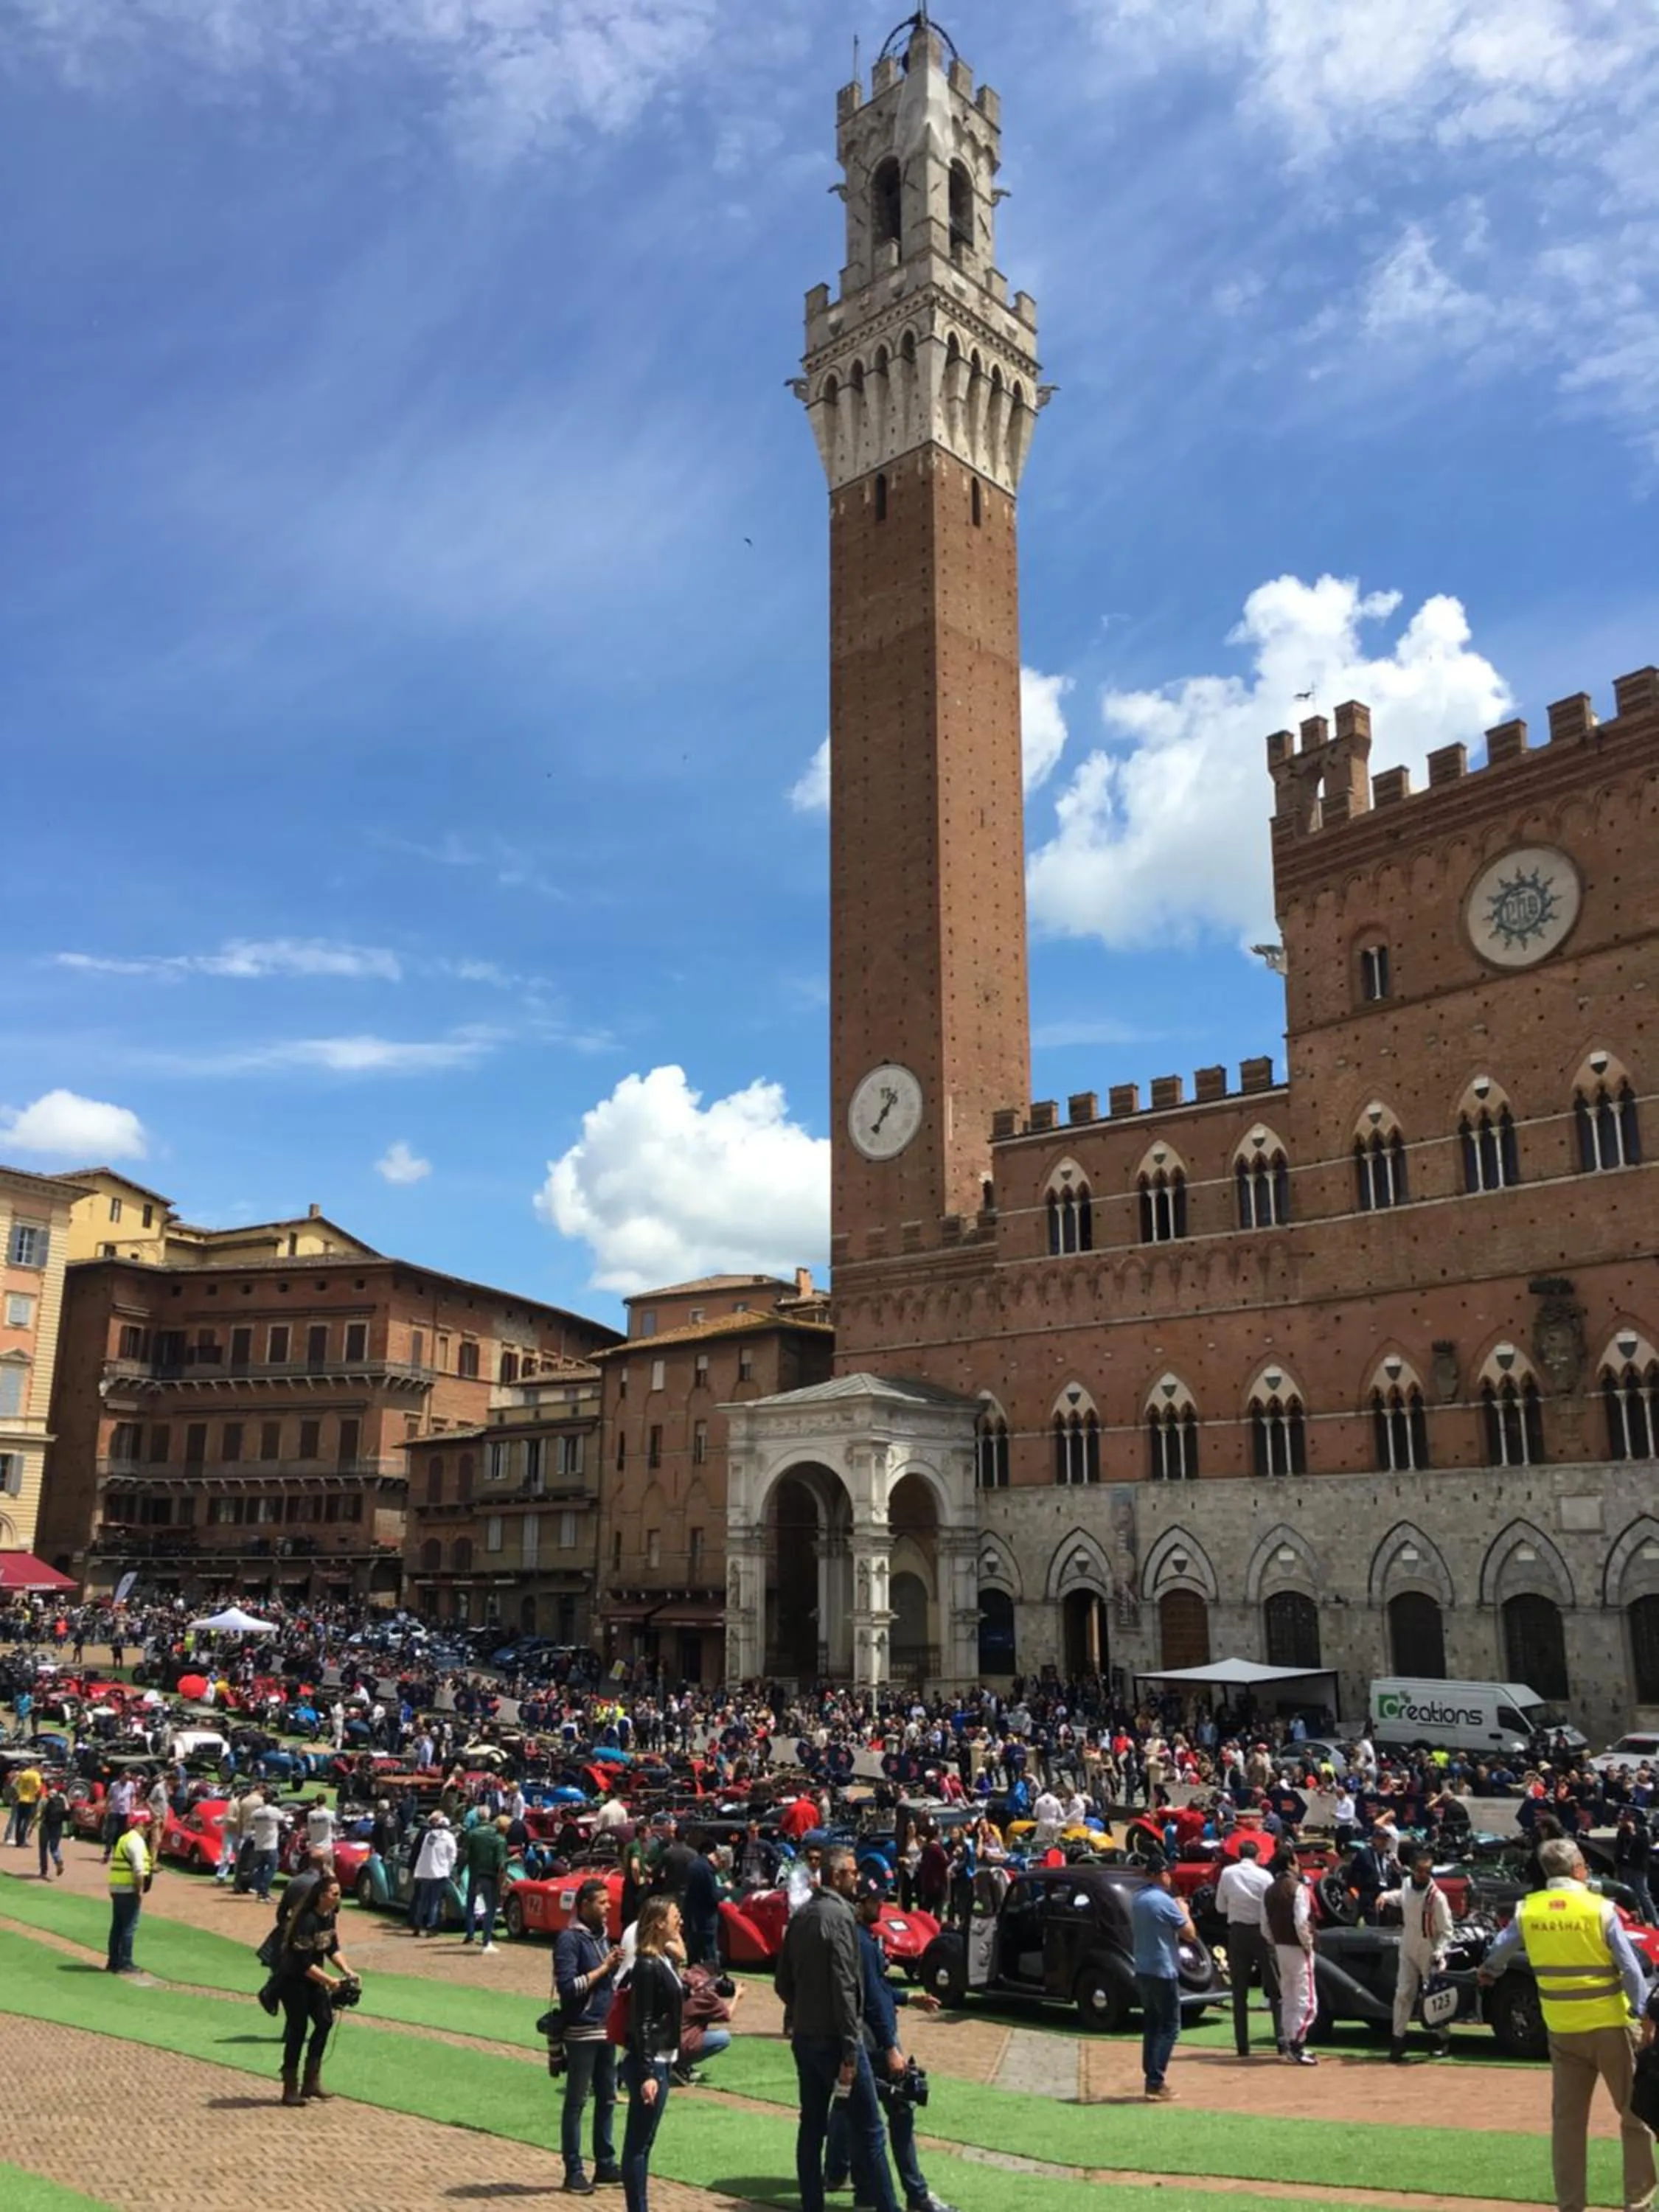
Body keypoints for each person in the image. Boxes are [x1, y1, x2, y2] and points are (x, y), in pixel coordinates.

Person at [1478, 1835, 1655, 2212]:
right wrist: (1643, 2014)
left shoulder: (1530, 1910)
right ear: (1578, 1869)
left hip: (1562, 2030)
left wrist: (1489, 1972)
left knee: (1568, 2124)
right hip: (1611, 2025)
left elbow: (1499, 1952)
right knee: (1634, 2115)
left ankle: (1571, 2205)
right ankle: (1636, 2203)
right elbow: (1628, 1967)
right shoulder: (1599, 1909)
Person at [776, 1845, 902, 2212]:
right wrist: (850, 2048)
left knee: (811, 2126)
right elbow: (847, 1987)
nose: (857, 1878)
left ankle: (812, 2205)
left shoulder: (801, 1917)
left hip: (806, 2036)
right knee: (871, 2129)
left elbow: (782, 1982)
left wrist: (802, 2010)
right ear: (836, 1877)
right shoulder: (842, 1917)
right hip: (838, 2039)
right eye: (851, 1872)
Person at [824, 1878, 954, 2212]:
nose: (880, 1907)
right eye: (875, 1901)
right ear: (861, 1901)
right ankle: (915, 2194)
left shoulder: (862, 1939)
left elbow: (878, 1989)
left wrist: (909, 1997)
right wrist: (890, 2048)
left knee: (852, 2109)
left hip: (861, 2039)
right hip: (871, 2041)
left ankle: (853, 2184)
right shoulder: (863, 1943)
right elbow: (870, 2002)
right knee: (898, 2108)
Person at [554, 1877, 625, 2194]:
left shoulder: (600, 1937)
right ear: (584, 1905)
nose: (608, 1907)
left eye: (608, 1902)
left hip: (605, 2028)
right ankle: (573, 2170)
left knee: (607, 2098)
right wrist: (604, 1969)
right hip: (582, 2030)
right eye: (601, 1903)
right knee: (577, 2101)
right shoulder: (570, 1940)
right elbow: (568, 1988)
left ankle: (605, 2163)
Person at [619, 1895, 686, 2212]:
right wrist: (647, 2072)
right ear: (659, 1923)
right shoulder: (647, 1965)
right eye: (675, 1916)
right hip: (651, 2062)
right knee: (638, 2145)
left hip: (662, 2059)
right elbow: (642, 2022)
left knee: (645, 2143)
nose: (680, 1920)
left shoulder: (663, 1960)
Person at [274, 1871, 359, 2107]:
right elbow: (302, 1963)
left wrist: (347, 1971)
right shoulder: (306, 1920)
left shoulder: (328, 1917)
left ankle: (311, 2082)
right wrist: (329, 1981)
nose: (339, 1897)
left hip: (314, 1980)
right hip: (293, 1982)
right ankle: (290, 2087)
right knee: (298, 2029)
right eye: (335, 1894)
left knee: (324, 2021)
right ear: (322, 1896)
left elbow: (331, 1946)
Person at [1376, 1850, 1453, 2063]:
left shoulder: (1437, 1897)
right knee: (1403, 1993)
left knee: (1433, 1996)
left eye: (1427, 1871)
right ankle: (1398, 2040)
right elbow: (1402, 1897)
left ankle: (1443, 2038)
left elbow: (1447, 1930)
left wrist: (1440, 1951)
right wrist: (1385, 1896)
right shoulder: (1408, 1884)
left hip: (1429, 1947)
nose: (1423, 1875)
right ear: (1413, 1869)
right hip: (1408, 1943)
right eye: (1419, 1871)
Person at [1130, 1863, 1195, 2101]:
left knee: (1153, 2024)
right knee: (1170, 2027)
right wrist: (1183, 1909)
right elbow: (1190, 1933)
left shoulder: (1137, 1898)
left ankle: (1151, 2077)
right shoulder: (1164, 1901)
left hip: (1143, 1968)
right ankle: (1155, 2081)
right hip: (1163, 1970)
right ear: (1162, 1874)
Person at [1215, 1838, 1281, 2058]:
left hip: (1237, 1932)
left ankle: (1242, 2045)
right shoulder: (1265, 1876)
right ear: (1257, 1856)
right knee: (1275, 1990)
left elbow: (1220, 1906)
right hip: (1261, 1931)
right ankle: (1282, 2040)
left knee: (1239, 1991)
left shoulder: (1227, 1873)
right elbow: (1271, 1907)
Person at [1264, 1848, 1318, 2066]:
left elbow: (1264, 1925)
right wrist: (1308, 1945)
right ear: (1290, 1863)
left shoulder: (1269, 1890)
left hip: (1280, 1947)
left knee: (1288, 1996)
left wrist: (1275, 1941)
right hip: (1297, 1948)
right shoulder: (1298, 1889)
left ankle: (1289, 2041)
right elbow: (1301, 1922)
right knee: (1308, 2001)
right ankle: (1297, 2044)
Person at [107, 1807, 152, 1974]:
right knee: (129, 1927)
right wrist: (139, 1890)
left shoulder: (124, 1839)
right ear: (140, 1823)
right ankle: (126, 1962)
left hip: (116, 1887)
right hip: (128, 1889)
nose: (148, 1829)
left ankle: (113, 1961)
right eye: (147, 1825)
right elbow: (138, 1870)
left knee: (117, 1926)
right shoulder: (136, 1841)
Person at [462, 1811, 509, 1950]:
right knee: (491, 1909)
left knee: (471, 1903)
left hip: (475, 1873)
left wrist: (460, 1871)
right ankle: (486, 1940)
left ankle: (470, 1934)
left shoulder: (473, 1834)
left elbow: (465, 1855)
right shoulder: (499, 1839)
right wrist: (503, 1881)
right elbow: (500, 1863)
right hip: (490, 1876)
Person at [411, 1809, 457, 1937]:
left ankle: (417, 1925)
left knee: (422, 1900)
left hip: (425, 1871)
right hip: (439, 1873)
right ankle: (431, 1927)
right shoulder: (449, 1837)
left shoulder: (429, 1835)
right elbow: (453, 1856)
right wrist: (448, 1869)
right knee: (434, 1901)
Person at [682, 1837, 723, 1969]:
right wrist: (726, 1889)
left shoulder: (693, 1865)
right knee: (710, 1957)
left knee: (693, 1957)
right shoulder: (707, 1869)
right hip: (706, 1919)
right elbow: (714, 1895)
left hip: (692, 1917)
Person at [36, 1779, 68, 1881]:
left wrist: (31, 1827)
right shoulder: (62, 1797)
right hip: (58, 1825)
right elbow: (67, 1810)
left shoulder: (44, 1798)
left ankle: (43, 1871)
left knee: (43, 1849)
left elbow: (38, 1814)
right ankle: (58, 1860)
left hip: (45, 1825)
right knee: (54, 1847)